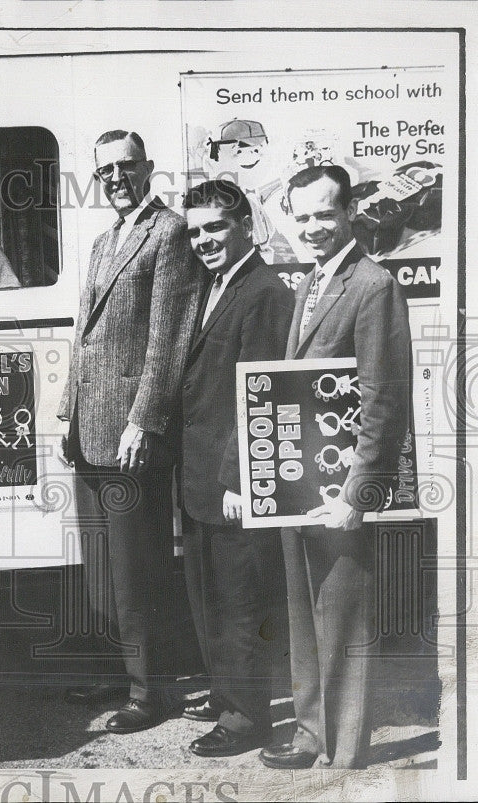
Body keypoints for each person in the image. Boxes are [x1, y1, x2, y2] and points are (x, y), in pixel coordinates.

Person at [258, 164, 411, 770]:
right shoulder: (313, 281)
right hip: (305, 487)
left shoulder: (372, 286)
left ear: (349, 213)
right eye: (303, 216)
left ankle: (345, 753)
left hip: (339, 489)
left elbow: (384, 401)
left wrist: (357, 495)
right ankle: (311, 733)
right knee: (305, 615)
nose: (314, 227)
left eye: (326, 214)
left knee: (342, 615)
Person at [56, 130, 203, 734]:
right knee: (101, 567)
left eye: (125, 166)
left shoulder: (167, 233)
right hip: (89, 430)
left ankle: (152, 690)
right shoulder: (101, 240)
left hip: (130, 434)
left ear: (147, 167)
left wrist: (144, 420)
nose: (114, 177)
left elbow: (168, 342)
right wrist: (66, 409)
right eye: (104, 170)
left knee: (134, 565)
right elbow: (84, 337)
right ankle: (125, 671)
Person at [179, 180, 293, 757]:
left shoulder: (264, 292)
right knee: (213, 595)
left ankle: (247, 718)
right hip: (199, 474)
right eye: (196, 231)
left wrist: (237, 479)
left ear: (245, 223)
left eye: (215, 227)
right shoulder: (218, 285)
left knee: (241, 600)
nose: (204, 240)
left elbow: (259, 392)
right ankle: (227, 692)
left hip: (231, 479)